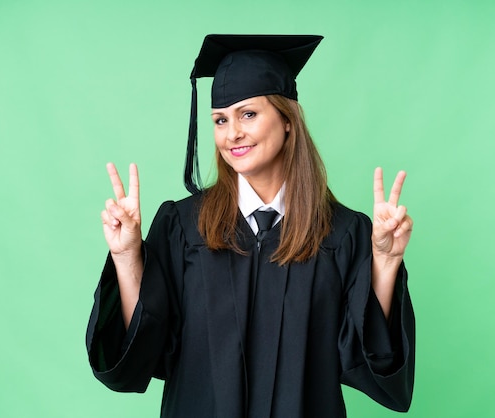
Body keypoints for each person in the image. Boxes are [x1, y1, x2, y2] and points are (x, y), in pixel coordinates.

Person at [86, 34, 415, 418]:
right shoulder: (183, 226)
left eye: (248, 114)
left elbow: (367, 358)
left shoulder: (342, 233)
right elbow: (142, 349)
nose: (232, 133)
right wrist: (126, 256)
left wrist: (386, 263)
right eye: (220, 120)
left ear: (287, 119)